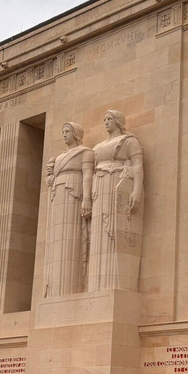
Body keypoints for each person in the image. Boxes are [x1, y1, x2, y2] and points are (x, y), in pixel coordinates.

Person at [88, 110, 144, 291]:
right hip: (100, 189)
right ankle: (97, 285)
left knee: (113, 231)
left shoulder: (128, 141)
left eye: (109, 119)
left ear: (118, 122)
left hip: (116, 185)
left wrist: (136, 190)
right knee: (99, 234)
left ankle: (114, 284)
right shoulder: (97, 147)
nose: (105, 122)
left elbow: (137, 165)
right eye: (104, 119)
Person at [43, 122, 94, 297]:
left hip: (74, 194)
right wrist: (50, 176)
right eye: (63, 131)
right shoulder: (59, 157)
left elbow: (88, 175)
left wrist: (87, 198)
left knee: (73, 239)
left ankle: (71, 289)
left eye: (67, 131)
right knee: (57, 242)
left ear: (76, 134)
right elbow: (50, 178)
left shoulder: (85, 152)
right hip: (58, 197)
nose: (64, 135)